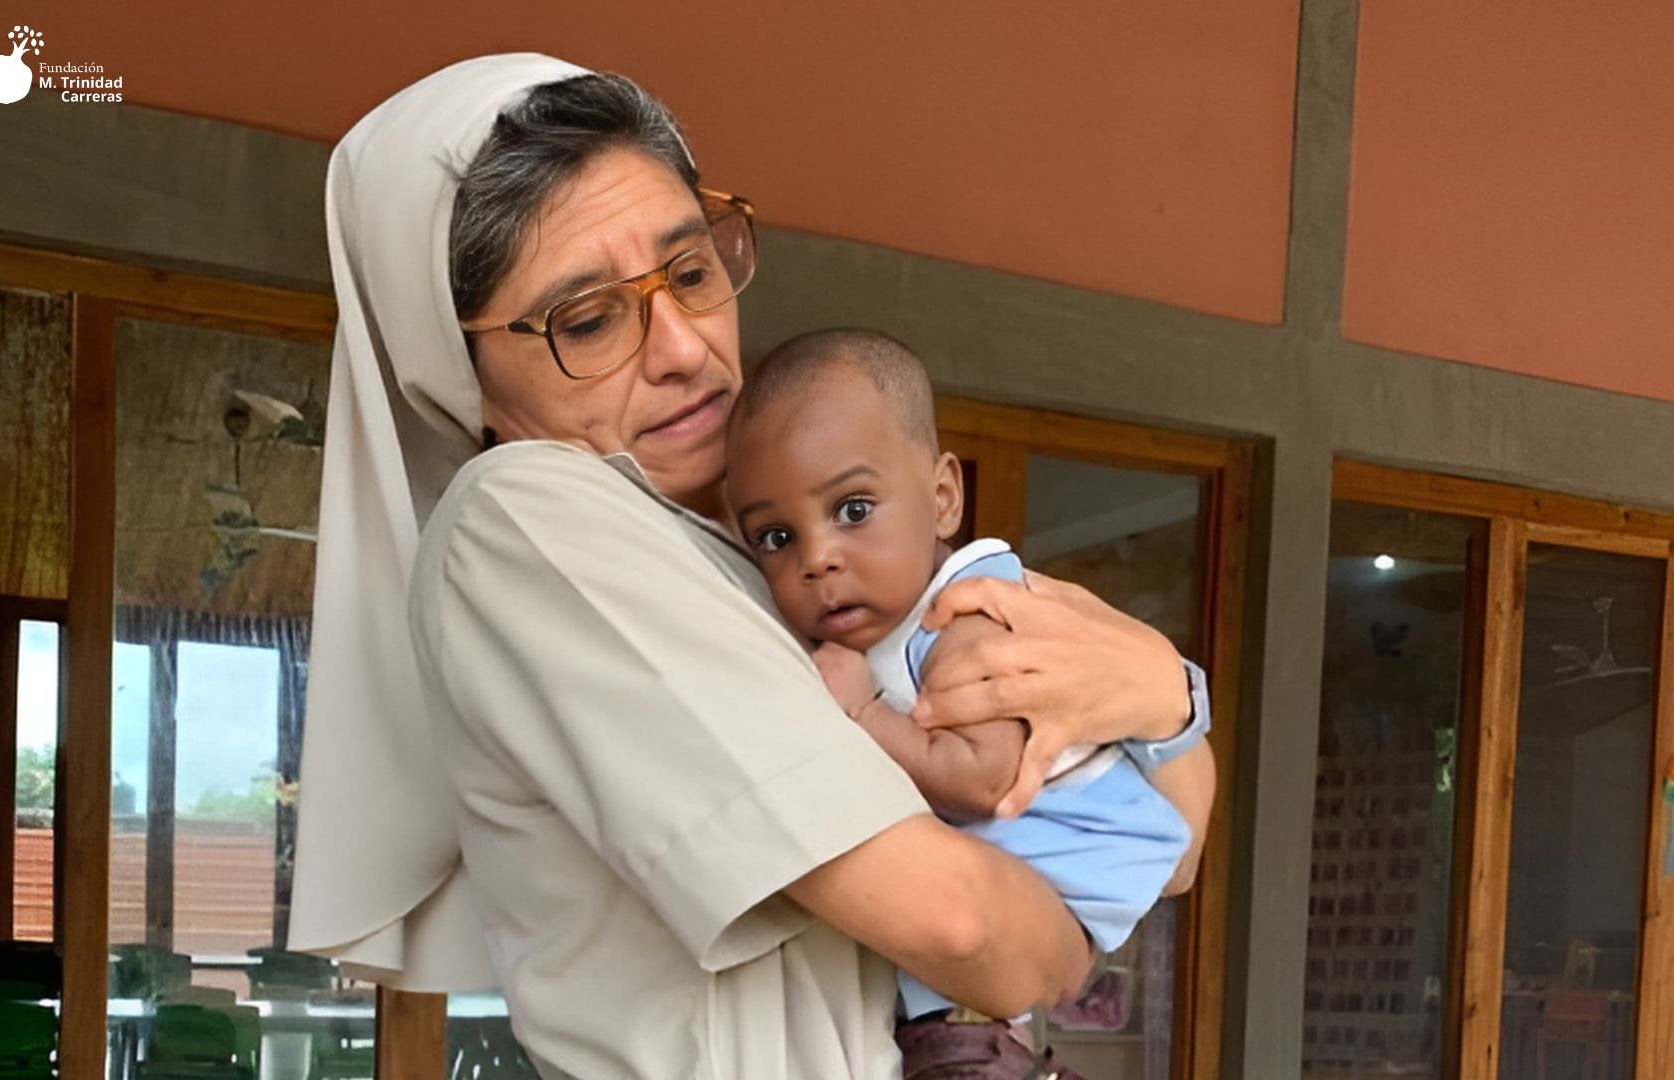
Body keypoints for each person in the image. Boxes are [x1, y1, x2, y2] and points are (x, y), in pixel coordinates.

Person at [286, 54, 1216, 1080]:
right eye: (589, 320)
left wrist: (1164, 696)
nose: (683, 347)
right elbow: (964, 930)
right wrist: (1065, 940)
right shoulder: (526, 519)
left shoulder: (775, 576)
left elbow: (1170, 847)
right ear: (451, 366)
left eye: (690, 274)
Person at [725, 328, 1203, 1066]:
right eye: (776, 536)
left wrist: (862, 716)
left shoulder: (970, 618)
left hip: (1071, 874)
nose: (817, 558)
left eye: (853, 509)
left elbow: (984, 778)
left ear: (943, 498)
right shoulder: (885, 632)